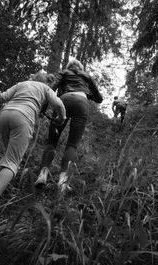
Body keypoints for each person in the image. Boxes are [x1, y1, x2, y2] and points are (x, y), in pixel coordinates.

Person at [0, 71, 66, 217]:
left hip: (5, 114)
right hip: (23, 117)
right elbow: (58, 104)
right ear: (47, 82)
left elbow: (1, 97)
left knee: (10, 153)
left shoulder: (22, 84)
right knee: (13, 161)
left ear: (34, 78)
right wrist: (61, 118)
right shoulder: (46, 89)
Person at [34, 58, 103, 193]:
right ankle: (63, 181)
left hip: (64, 100)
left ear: (69, 67)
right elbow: (99, 99)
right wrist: (86, 94)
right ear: (80, 68)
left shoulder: (64, 72)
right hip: (82, 103)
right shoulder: (86, 76)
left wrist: (42, 109)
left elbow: (51, 89)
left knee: (52, 141)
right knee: (72, 144)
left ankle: (42, 175)